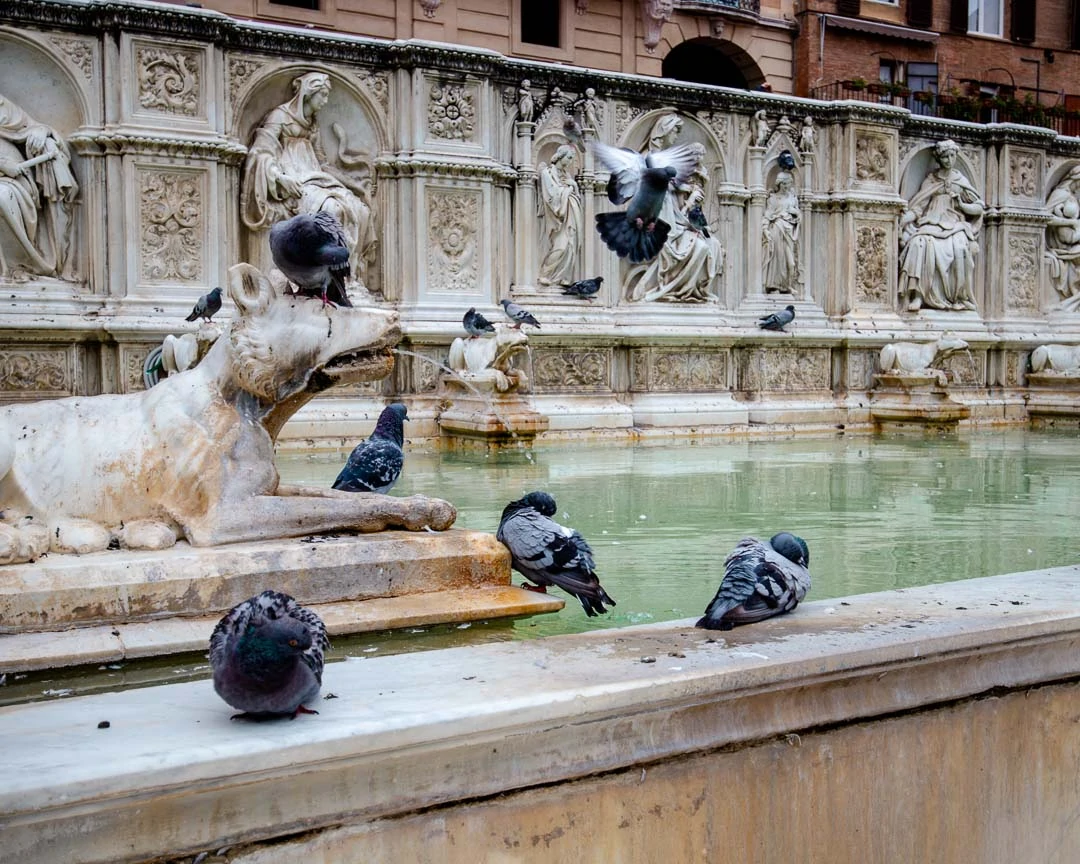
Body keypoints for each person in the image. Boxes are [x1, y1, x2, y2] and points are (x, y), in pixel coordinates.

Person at [241, 72, 376, 289]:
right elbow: (261, 153)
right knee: (332, 209)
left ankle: (348, 278)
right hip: (292, 181)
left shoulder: (312, 125)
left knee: (360, 209)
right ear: (307, 94)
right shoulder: (280, 117)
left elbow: (323, 165)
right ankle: (328, 277)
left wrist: (353, 184)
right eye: (321, 96)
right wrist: (281, 179)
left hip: (315, 178)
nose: (324, 102)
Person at [898, 139, 984, 312]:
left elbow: (978, 207)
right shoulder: (931, 179)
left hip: (955, 225)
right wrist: (903, 221)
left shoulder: (960, 181)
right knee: (919, 243)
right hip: (930, 222)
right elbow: (918, 206)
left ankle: (958, 296)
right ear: (939, 159)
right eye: (945, 156)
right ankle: (918, 295)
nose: (949, 160)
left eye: (952, 155)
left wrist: (962, 205)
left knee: (960, 247)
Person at [0, 93, 78, 280]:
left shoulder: (3, 106)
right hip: (6, 173)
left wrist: (41, 132)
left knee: (3, 195)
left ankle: (24, 265)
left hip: (15, 181)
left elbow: (31, 126)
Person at [537, 144, 583, 286]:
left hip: (571, 217)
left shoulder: (566, 175)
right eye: (568, 158)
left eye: (572, 159)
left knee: (570, 246)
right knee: (561, 246)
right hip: (557, 217)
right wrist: (568, 190)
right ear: (561, 156)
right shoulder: (547, 173)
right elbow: (551, 195)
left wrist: (573, 186)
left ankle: (564, 276)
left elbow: (575, 194)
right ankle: (545, 274)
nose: (569, 162)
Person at [1045, 166, 1080, 310]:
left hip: (1073, 242)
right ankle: (1071, 303)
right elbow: (1045, 218)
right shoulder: (1061, 194)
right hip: (1062, 247)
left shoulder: (1073, 196)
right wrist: (1070, 222)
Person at [761, 171, 800, 294]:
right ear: (780, 184)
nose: (787, 186)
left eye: (788, 184)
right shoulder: (773, 198)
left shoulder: (792, 198)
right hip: (777, 229)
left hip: (789, 231)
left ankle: (787, 286)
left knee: (791, 263)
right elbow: (768, 215)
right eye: (785, 184)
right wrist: (765, 229)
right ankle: (774, 286)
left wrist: (797, 214)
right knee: (778, 261)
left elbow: (798, 216)